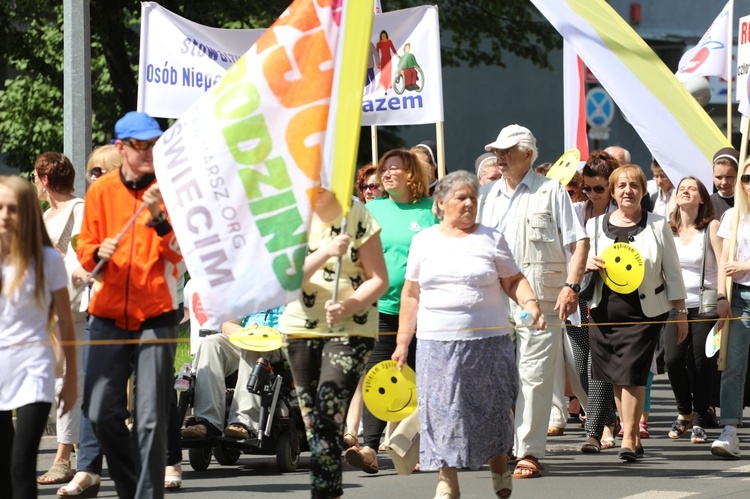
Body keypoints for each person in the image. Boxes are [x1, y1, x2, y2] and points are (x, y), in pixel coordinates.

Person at [392, 171, 543, 499]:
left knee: (492, 407)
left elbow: (513, 280)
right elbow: (411, 294)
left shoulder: (491, 238)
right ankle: (447, 478)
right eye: (461, 198)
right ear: (441, 203)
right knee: (443, 412)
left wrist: (530, 304)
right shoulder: (424, 240)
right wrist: (403, 341)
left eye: (473, 198)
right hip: (436, 344)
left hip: (488, 344)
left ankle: (499, 463)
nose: (469, 203)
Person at [76, 111, 182, 498]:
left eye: (154, 144)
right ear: (120, 148)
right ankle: (130, 485)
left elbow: (180, 253)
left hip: (157, 313)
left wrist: (157, 216)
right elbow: (86, 247)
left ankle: (145, 495)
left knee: (151, 417)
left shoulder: (169, 188)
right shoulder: (101, 191)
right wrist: (94, 251)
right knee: (101, 411)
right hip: (107, 314)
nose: (149, 151)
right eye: (140, 145)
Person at [478, 124, 589, 478]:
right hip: (495, 300)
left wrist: (572, 285)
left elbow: (579, 242)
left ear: (527, 153)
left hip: (540, 300)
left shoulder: (552, 191)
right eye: (497, 151)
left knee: (535, 375)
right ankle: (503, 444)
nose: (500, 157)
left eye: (507, 151)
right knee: (498, 376)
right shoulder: (487, 195)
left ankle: (529, 452)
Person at [280, 187, 388, 499]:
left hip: (351, 330)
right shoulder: (289, 215)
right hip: (300, 328)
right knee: (315, 422)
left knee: (329, 410)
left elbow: (378, 278)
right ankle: (330, 490)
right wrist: (327, 252)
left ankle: (323, 493)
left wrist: (347, 306)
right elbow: (286, 279)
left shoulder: (357, 213)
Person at [585, 164, 687, 462]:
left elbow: (673, 271)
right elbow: (577, 269)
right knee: (618, 376)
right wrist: (588, 266)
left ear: (643, 191)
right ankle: (630, 433)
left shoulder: (657, 225)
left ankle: (629, 436)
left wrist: (679, 311)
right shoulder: (593, 226)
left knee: (632, 373)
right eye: (621, 186)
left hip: (644, 313)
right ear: (614, 193)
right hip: (604, 312)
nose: (627, 190)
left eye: (634, 185)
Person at [346, 149, 437, 474]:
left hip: (424, 310)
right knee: (379, 375)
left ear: (411, 173)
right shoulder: (373, 208)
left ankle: (417, 448)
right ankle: (370, 446)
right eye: (384, 169)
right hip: (382, 308)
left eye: (394, 168)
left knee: (422, 377)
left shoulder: (431, 211)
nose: (386, 174)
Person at [0, 175, 77, 498]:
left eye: (13, 209)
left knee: (21, 464)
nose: (5, 215)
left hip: (34, 368)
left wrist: (71, 378)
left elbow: (66, 323)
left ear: (28, 214)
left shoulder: (46, 259)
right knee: (2, 467)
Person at [30, 153, 86, 487]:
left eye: (36, 177)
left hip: (69, 308)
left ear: (46, 179)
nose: (34, 182)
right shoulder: (46, 214)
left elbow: (80, 257)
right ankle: (78, 442)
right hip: (42, 308)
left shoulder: (78, 210)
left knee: (65, 383)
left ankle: (63, 458)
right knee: (47, 384)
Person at [664, 177, 721, 444]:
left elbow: (722, 266)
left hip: (705, 304)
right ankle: (683, 411)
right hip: (674, 305)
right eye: (681, 188)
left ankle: (699, 419)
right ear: (675, 198)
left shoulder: (711, 227)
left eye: (692, 189)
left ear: (701, 199)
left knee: (701, 362)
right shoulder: (666, 229)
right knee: (673, 360)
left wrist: (722, 297)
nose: (686, 191)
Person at [181, 308, 283, 440]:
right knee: (211, 343)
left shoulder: (292, 292)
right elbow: (227, 325)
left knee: (253, 345)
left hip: (276, 344)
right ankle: (207, 422)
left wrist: (259, 336)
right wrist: (248, 334)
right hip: (244, 338)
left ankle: (244, 422)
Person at [575, 151, 619, 453]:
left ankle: (595, 430)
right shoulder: (577, 211)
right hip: (577, 294)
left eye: (599, 188)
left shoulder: (622, 213)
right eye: (586, 188)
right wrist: (579, 260)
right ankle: (610, 418)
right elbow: (564, 248)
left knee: (597, 366)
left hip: (608, 297)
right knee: (580, 368)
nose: (591, 194)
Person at [711, 159, 750, 459]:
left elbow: (737, 263)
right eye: (747, 178)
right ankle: (730, 429)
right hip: (740, 298)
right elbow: (724, 263)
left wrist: (746, 265)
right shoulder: (732, 217)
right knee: (733, 363)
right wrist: (721, 298)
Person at [711, 147, 740, 218]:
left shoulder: (747, 202)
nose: (724, 182)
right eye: (718, 177)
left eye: (729, 177)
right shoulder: (707, 204)